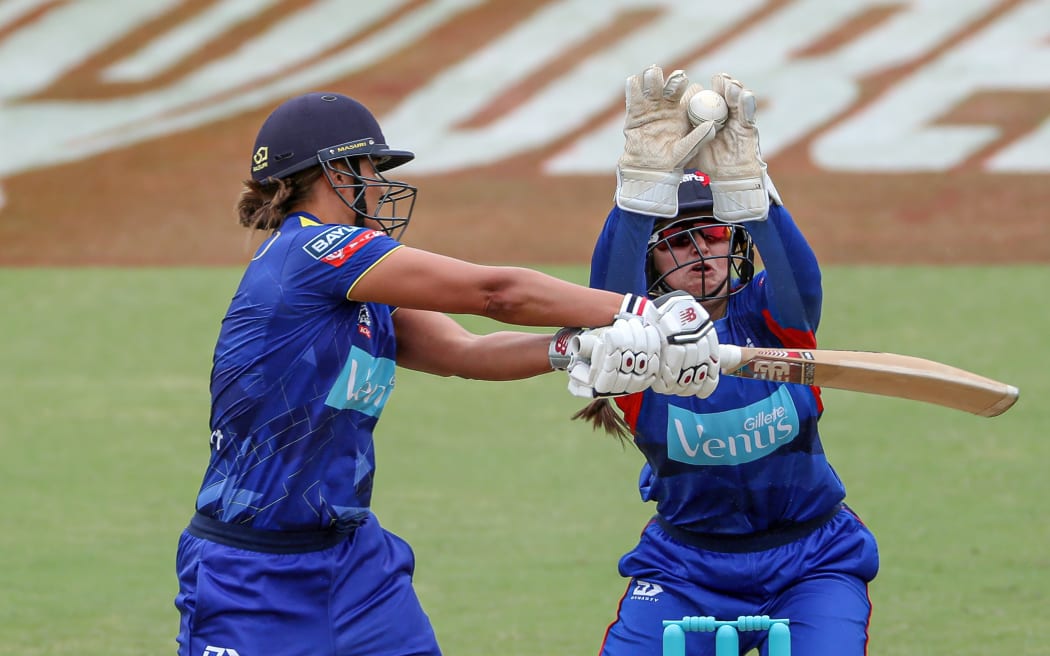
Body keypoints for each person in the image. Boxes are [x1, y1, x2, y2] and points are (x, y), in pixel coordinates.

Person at [173, 90, 723, 656]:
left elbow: (466, 353)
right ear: (335, 170)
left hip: (356, 567)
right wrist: (639, 313)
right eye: (371, 167)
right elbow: (495, 294)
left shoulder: (358, 290)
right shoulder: (314, 253)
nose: (381, 183)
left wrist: (575, 347)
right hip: (250, 573)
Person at [575, 67, 880, 655]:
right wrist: (638, 194)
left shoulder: (771, 313)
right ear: (648, 255)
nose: (701, 253)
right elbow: (603, 308)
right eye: (678, 238)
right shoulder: (635, 342)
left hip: (813, 561)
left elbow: (803, 286)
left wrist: (752, 194)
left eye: (713, 234)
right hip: (685, 569)